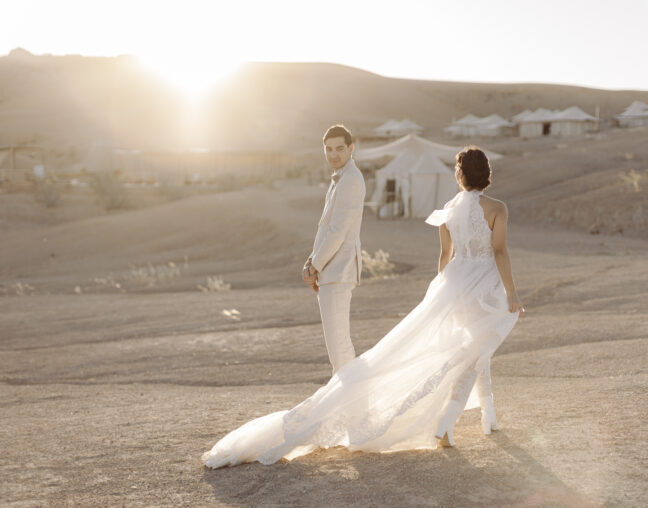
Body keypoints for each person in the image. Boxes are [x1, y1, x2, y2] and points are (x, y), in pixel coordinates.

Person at [203, 146, 524, 468]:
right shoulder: (497, 208)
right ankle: (447, 421)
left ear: (461, 174)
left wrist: (442, 293)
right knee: (474, 350)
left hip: (453, 282)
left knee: (476, 348)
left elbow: (444, 257)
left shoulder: (448, 209)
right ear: (486, 174)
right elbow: (499, 252)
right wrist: (511, 293)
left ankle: (488, 416)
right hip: (483, 283)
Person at [303, 125, 366, 374]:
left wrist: (314, 265)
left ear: (351, 149)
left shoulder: (350, 179)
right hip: (331, 270)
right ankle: (351, 405)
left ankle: (353, 407)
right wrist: (312, 261)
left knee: (339, 347)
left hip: (338, 270)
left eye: (340, 149)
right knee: (337, 347)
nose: (334, 154)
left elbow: (338, 231)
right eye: (328, 149)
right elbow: (326, 227)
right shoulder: (341, 177)